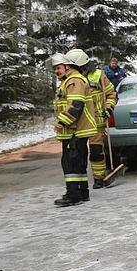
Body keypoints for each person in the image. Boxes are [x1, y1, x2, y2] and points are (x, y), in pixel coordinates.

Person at [51, 52, 99, 206]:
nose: (56, 71)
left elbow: (76, 106)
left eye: (58, 68)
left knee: (70, 162)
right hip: (75, 129)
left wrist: (62, 122)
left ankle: (73, 194)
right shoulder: (70, 80)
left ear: (68, 66)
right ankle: (81, 192)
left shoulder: (74, 81)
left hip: (75, 129)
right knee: (77, 161)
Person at [70, 49, 118, 189]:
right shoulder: (71, 78)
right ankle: (80, 180)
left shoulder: (98, 75)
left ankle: (99, 178)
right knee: (77, 152)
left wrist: (108, 109)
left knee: (96, 150)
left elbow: (111, 94)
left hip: (96, 120)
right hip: (78, 121)